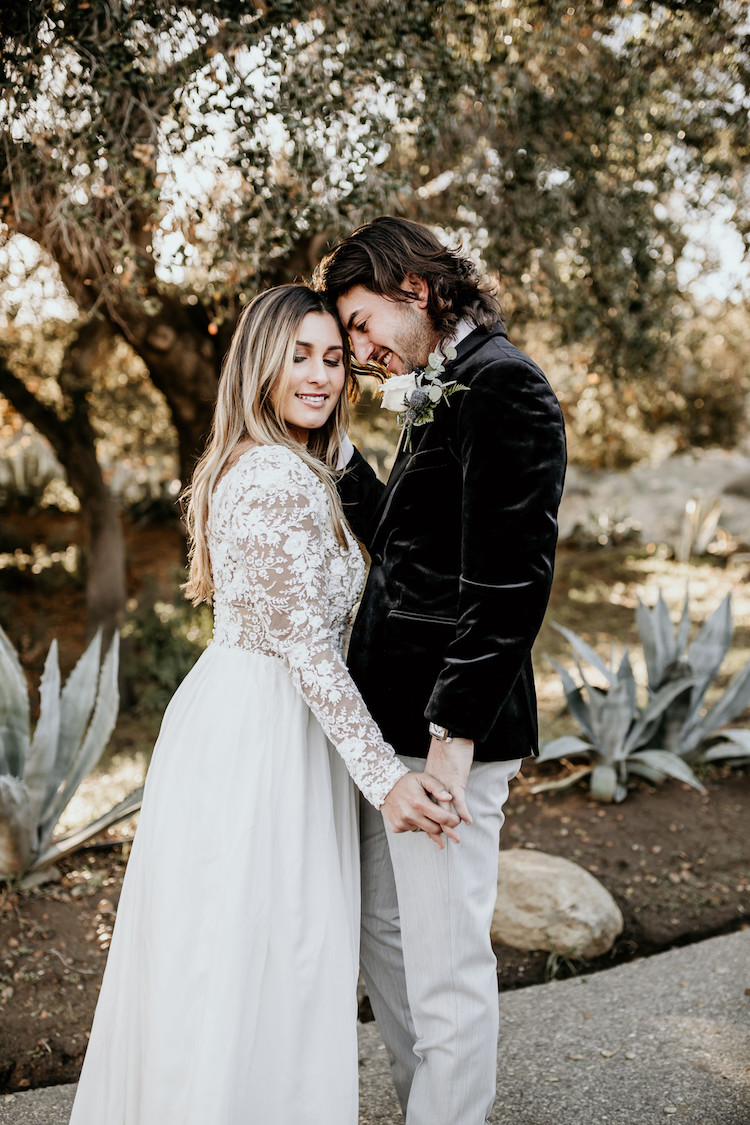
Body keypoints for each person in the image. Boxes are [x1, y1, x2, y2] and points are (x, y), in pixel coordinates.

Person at [68, 284, 460, 1125]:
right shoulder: (275, 475)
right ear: (260, 364)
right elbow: (309, 650)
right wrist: (386, 777)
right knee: (257, 953)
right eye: (300, 356)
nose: (321, 376)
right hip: (262, 738)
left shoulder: (286, 463)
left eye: (331, 358)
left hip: (273, 723)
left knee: (263, 956)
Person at [315, 217, 567, 1125]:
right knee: (385, 939)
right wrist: (341, 462)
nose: (358, 350)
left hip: (445, 736)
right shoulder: (442, 386)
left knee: (446, 960)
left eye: (357, 323)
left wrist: (449, 746)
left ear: (412, 289)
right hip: (390, 737)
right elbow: (408, 550)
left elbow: (508, 584)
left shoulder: (506, 386)